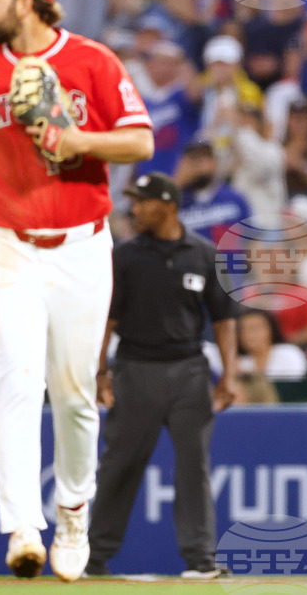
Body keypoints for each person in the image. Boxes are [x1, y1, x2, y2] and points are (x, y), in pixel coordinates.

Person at [0, 0, 154, 582]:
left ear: (24, 0)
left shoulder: (92, 60)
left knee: (74, 393)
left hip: (81, 243)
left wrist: (79, 142)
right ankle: (22, 527)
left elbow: (140, 140)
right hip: (4, 241)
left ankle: (70, 513)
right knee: (16, 376)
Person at [86, 172, 238, 579]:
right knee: (119, 465)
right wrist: (100, 372)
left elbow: (224, 321)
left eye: (142, 201)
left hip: (190, 371)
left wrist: (231, 375)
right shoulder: (126, 255)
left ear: (167, 205)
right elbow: (107, 320)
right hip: (134, 370)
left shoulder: (204, 254)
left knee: (195, 466)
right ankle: (93, 559)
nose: (134, 209)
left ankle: (200, 559)